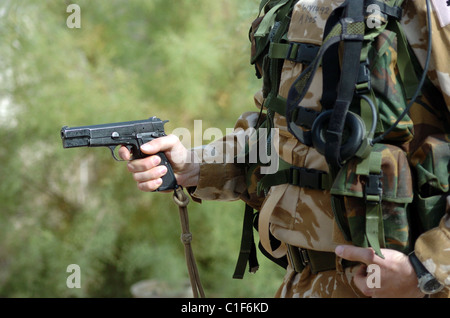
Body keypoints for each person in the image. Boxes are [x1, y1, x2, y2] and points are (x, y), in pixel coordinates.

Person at [119, 0, 450, 298]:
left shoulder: (425, 7)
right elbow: (282, 139)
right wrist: (195, 165)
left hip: (400, 288)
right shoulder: (291, 8)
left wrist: (425, 270)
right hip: (302, 282)